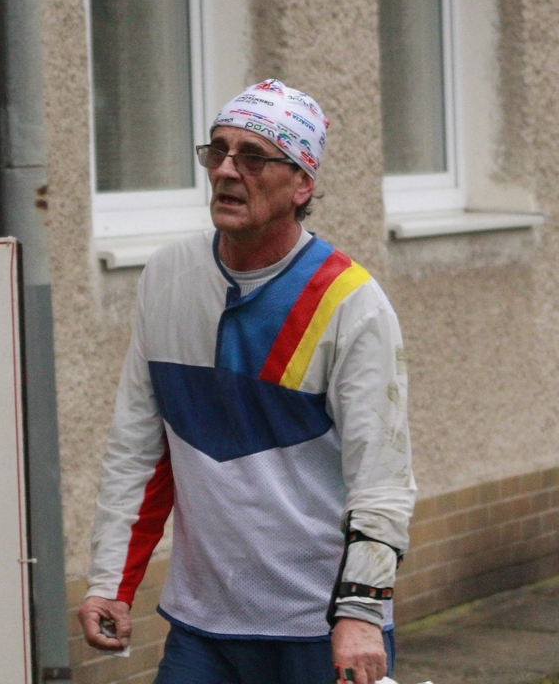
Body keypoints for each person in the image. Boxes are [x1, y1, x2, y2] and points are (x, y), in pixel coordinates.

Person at [78, 80, 416, 684]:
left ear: (302, 184)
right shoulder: (168, 276)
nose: (227, 171)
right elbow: (139, 447)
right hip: (202, 630)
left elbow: (382, 478)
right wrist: (110, 582)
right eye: (218, 151)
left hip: (321, 629)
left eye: (253, 157)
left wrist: (363, 612)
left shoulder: (351, 303)